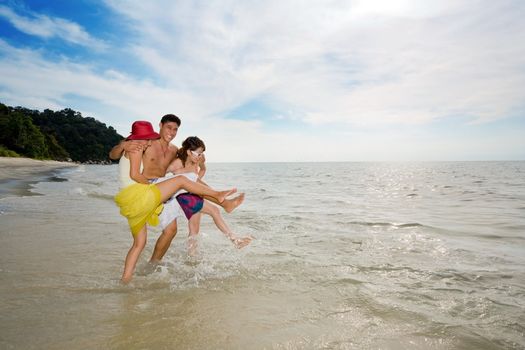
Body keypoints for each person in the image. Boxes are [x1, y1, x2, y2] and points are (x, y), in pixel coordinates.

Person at [109, 114, 244, 264]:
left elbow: (187, 160)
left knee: (171, 231)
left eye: (175, 129)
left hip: (165, 187)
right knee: (188, 181)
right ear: (160, 125)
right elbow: (113, 155)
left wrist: (200, 158)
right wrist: (122, 145)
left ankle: (153, 264)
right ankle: (224, 202)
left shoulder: (174, 150)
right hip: (149, 186)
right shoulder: (147, 143)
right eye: (169, 127)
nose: (172, 132)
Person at [166, 136, 253, 252]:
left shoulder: (199, 159)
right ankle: (235, 240)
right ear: (188, 152)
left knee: (194, 231)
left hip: (194, 193)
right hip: (183, 196)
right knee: (214, 210)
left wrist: (195, 182)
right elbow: (160, 176)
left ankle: (191, 258)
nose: (200, 157)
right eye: (198, 154)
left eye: (202, 153)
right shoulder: (177, 163)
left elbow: (202, 169)